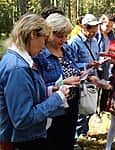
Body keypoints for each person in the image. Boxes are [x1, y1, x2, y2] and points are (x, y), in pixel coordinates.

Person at [0, 13, 70, 150]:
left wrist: (49, 92)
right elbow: (22, 118)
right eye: (44, 40)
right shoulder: (18, 68)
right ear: (33, 34)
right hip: (22, 141)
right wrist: (57, 98)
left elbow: (24, 95)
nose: (44, 47)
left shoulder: (18, 60)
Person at [34, 13, 81, 150]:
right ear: (49, 33)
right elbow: (37, 87)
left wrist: (84, 72)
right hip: (53, 107)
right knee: (53, 140)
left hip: (72, 102)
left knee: (68, 138)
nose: (63, 39)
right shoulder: (40, 54)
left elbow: (74, 67)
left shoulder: (66, 48)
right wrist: (63, 82)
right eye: (59, 36)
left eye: (66, 35)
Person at [68, 14, 101, 140]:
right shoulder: (74, 43)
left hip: (93, 79)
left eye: (95, 32)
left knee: (90, 107)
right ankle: (75, 137)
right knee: (80, 110)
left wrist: (98, 63)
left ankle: (83, 132)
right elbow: (70, 64)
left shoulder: (94, 41)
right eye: (91, 32)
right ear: (84, 28)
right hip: (80, 81)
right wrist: (87, 65)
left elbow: (96, 56)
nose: (93, 35)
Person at [95, 14, 115, 115]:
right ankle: (94, 111)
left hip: (108, 65)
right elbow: (94, 50)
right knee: (96, 87)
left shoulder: (112, 35)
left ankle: (103, 109)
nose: (109, 28)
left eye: (111, 26)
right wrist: (101, 57)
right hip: (97, 65)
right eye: (107, 26)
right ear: (101, 23)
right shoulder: (96, 34)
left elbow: (114, 48)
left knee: (106, 87)